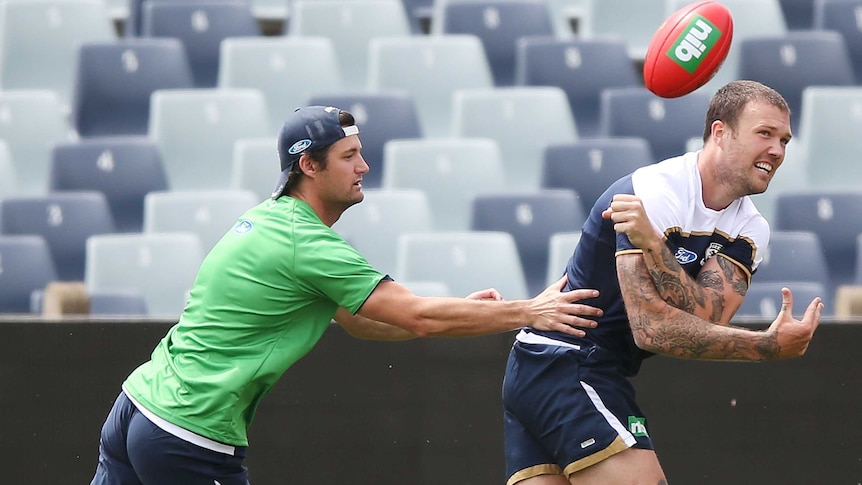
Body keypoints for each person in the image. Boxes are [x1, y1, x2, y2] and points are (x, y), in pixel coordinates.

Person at [90, 105, 604, 484]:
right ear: (309, 167)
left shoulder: (273, 222)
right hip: (187, 433)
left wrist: (467, 312)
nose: (364, 167)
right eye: (349, 156)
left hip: (137, 407)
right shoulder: (307, 245)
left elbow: (363, 320)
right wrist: (529, 311)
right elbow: (419, 317)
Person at [501, 80, 824, 485]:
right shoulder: (655, 190)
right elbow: (653, 330)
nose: (777, 151)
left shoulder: (750, 229)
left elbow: (705, 317)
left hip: (563, 366)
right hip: (567, 362)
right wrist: (763, 347)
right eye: (765, 134)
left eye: (784, 140)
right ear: (720, 133)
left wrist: (654, 245)